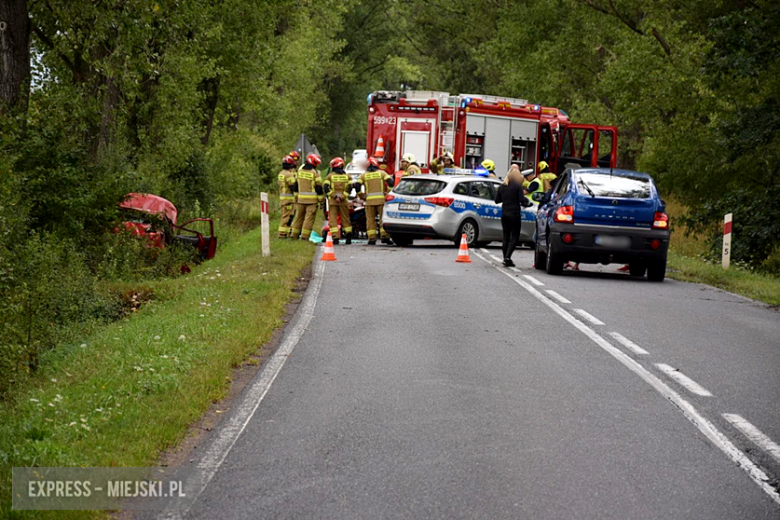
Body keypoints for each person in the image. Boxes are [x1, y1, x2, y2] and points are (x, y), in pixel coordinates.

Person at [495, 168, 533, 267]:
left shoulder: (502, 186)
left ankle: (505, 258)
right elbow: (521, 199)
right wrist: (527, 203)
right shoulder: (517, 186)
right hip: (514, 214)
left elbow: (497, 200)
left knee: (506, 237)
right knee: (515, 237)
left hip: (504, 214)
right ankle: (508, 257)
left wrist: (506, 199)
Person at [355, 157, 393, 245]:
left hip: (369, 202)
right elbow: (391, 182)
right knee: (382, 219)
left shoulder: (364, 175)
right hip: (381, 201)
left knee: (370, 220)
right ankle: (385, 237)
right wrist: (387, 193)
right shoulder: (382, 173)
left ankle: (372, 239)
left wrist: (362, 196)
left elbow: (357, 186)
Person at [290, 153, 324, 240]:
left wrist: (296, 197)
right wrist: (321, 201)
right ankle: (305, 237)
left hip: (301, 200)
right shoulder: (315, 173)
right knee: (309, 219)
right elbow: (319, 188)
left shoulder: (299, 172)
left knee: (298, 218)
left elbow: (296, 186)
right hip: (312, 202)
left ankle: (294, 235)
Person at [323, 157, 353, 245]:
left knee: (333, 219)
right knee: (345, 219)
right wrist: (342, 197)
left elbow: (326, 188)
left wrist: (335, 196)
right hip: (343, 202)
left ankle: (335, 238)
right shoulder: (347, 177)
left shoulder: (330, 176)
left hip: (333, 201)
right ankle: (348, 237)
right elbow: (350, 188)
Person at [277, 155, 298, 238]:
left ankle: (286, 232)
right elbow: (293, 186)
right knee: (287, 216)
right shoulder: (289, 174)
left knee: (285, 215)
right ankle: (282, 234)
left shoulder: (281, 173)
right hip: (289, 199)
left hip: (283, 198)